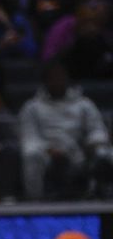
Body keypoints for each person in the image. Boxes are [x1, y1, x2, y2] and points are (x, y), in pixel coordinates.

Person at [18, 59, 113, 200]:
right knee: (32, 155)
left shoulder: (83, 104)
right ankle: (35, 200)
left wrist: (94, 142)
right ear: (45, 81)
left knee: (105, 153)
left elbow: (96, 129)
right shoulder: (32, 107)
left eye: (61, 77)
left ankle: (106, 198)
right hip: (47, 153)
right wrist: (48, 150)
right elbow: (29, 137)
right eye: (53, 78)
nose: (57, 81)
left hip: (79, 151)